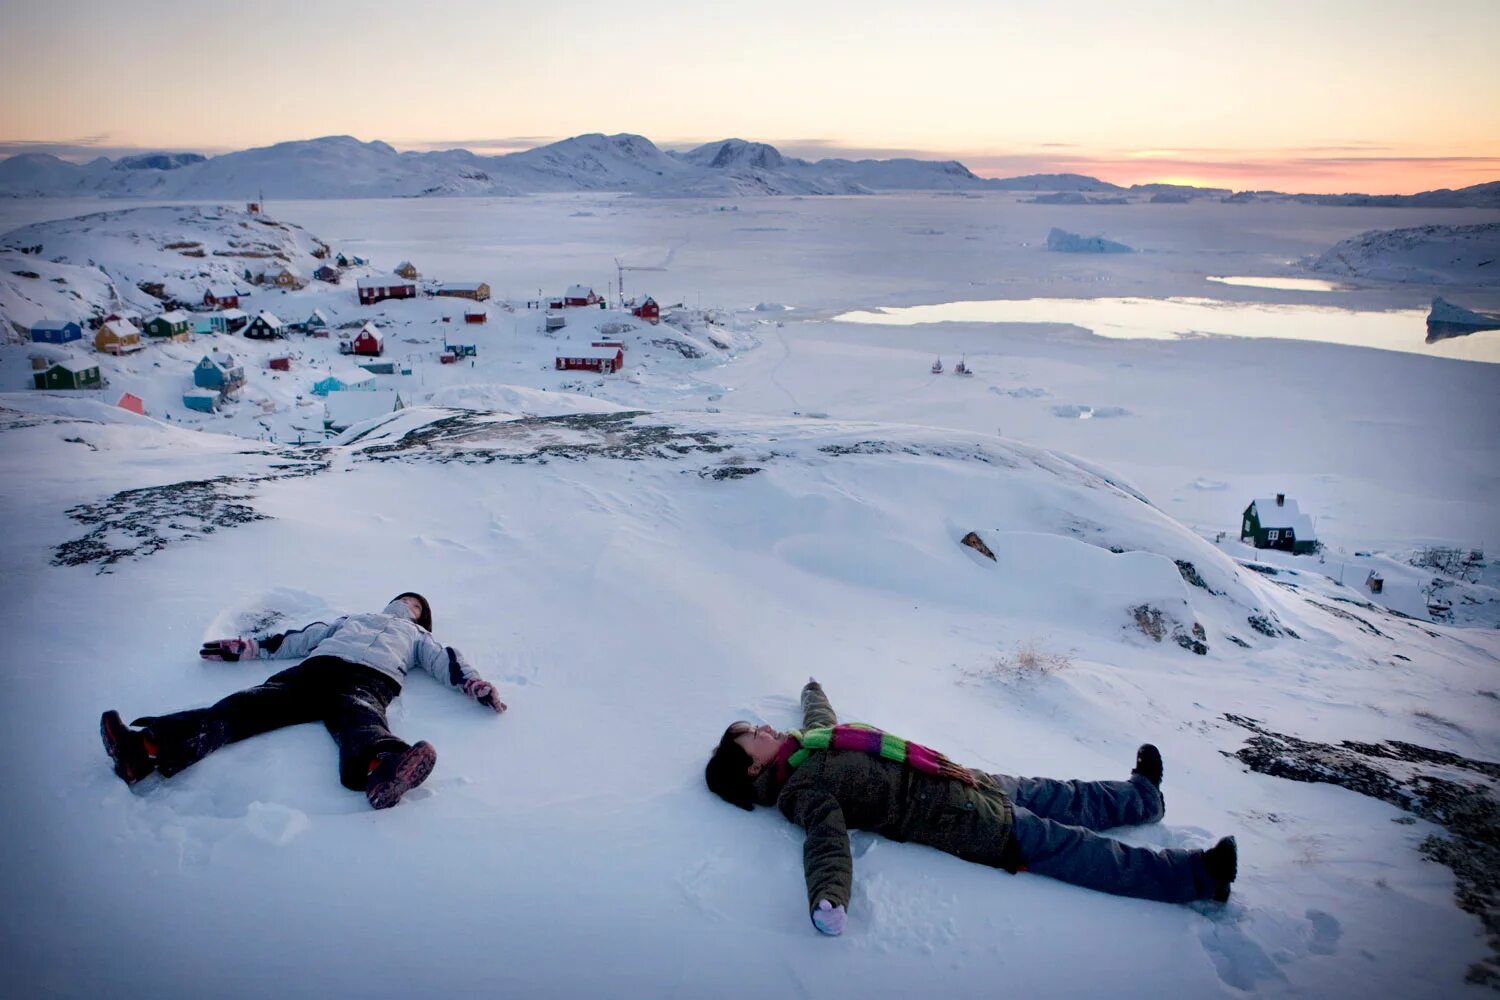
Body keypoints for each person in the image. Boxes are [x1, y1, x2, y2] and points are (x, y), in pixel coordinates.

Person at [704, 679, 1237, 935]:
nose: (765, 728)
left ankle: (1142, 797)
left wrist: (811, 689)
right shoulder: (801, 792)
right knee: (1076, 849)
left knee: (1062, 794)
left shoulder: (810, 741)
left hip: (960, 778)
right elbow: (826, 842)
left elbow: (823, 716)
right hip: (964, 821)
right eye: (754, 736)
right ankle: (1198, 877)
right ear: (752, 769)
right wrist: (828, 898)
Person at [99, 593, 506, 809]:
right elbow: (297, 639)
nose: (408, 605)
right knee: (239, 709)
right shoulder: (351, 619)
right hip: (313, 671)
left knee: (361, 723)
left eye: (416, 606)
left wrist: (476, 686)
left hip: (368, 680)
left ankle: (385, 769)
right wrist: (245, 648)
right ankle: (143, 749)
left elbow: (448, 664)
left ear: (420, 618)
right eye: (406, 599)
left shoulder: (420, 638)